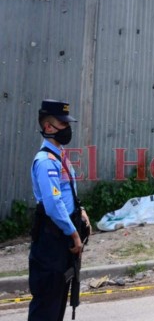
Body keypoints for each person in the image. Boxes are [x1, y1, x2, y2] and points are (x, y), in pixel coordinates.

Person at [29, 99, 91, 320]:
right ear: (48, 127)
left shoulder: (59, 155)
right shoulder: (46, 162)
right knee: (47, 304)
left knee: (58, 302)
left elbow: (67, 193)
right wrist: (73, 234)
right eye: (63, 124)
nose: (68, 128)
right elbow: (54, 205)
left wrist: (80, 211)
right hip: (51, 242)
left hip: (60, 240)